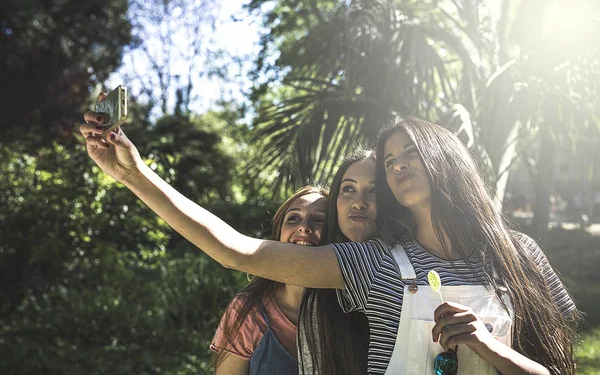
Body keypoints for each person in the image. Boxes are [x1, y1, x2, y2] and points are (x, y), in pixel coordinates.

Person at [80, 110, 578, 374]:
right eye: (389, 160)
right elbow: (236, 250)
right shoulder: (376, 266)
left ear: (446, 157)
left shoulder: (520, 255)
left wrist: (487, 347)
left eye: (410, 153)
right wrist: (137, 176)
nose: (398, 165)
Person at [210, 186, 328, 374]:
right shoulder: (248, 311)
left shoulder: (353, 310)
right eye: (293, 218)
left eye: (320, 220)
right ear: (278, 235)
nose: (304, 227)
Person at [298, 150, 376, 374]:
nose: (359, 203)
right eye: (349, 189)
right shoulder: (317, 296)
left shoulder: (408, 269)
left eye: (374, 191)